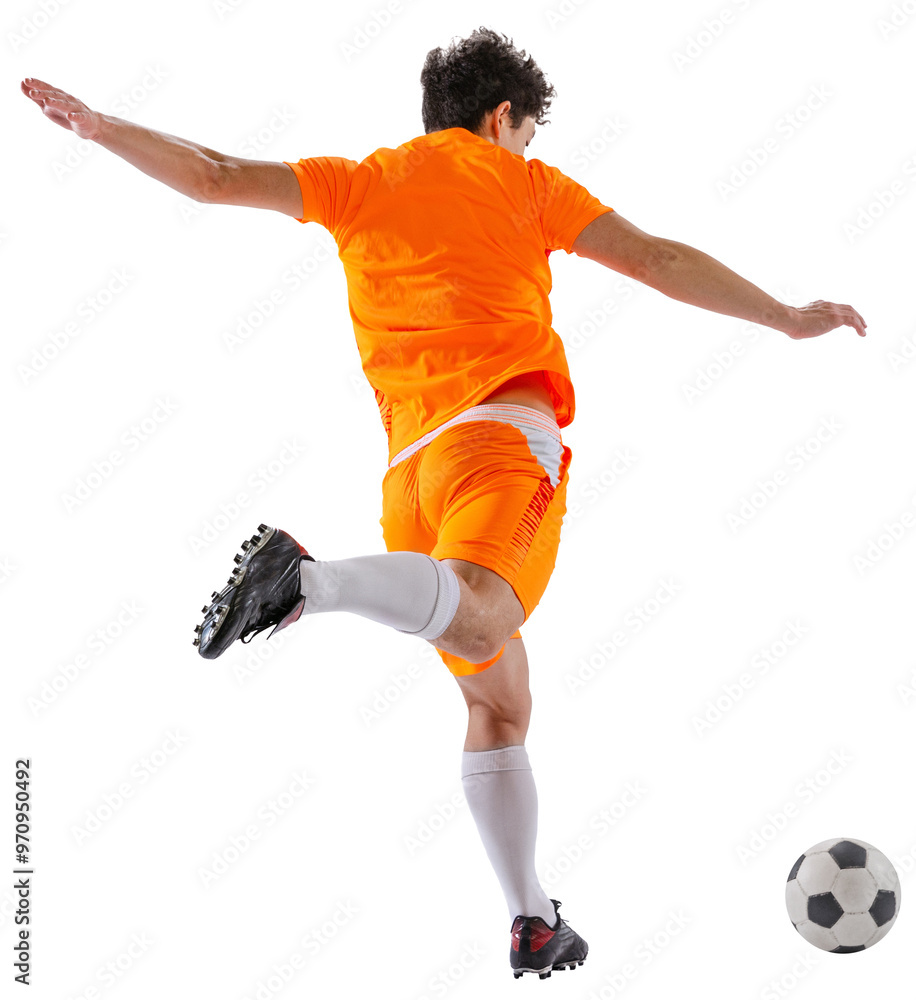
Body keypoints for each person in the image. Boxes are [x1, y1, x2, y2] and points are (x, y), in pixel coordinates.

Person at [22, 25, 866, 981]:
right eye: (528, 133)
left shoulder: (361, 180)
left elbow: (215, 175)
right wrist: (786, 316)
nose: (529, 152)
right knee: (489, 607)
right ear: (502, 117)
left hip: (407, 486)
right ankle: (310, 581)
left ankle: (533, 916)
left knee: (499, 701)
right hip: (499, 442)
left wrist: (101, 128)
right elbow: (659, 261)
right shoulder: (524, 183)